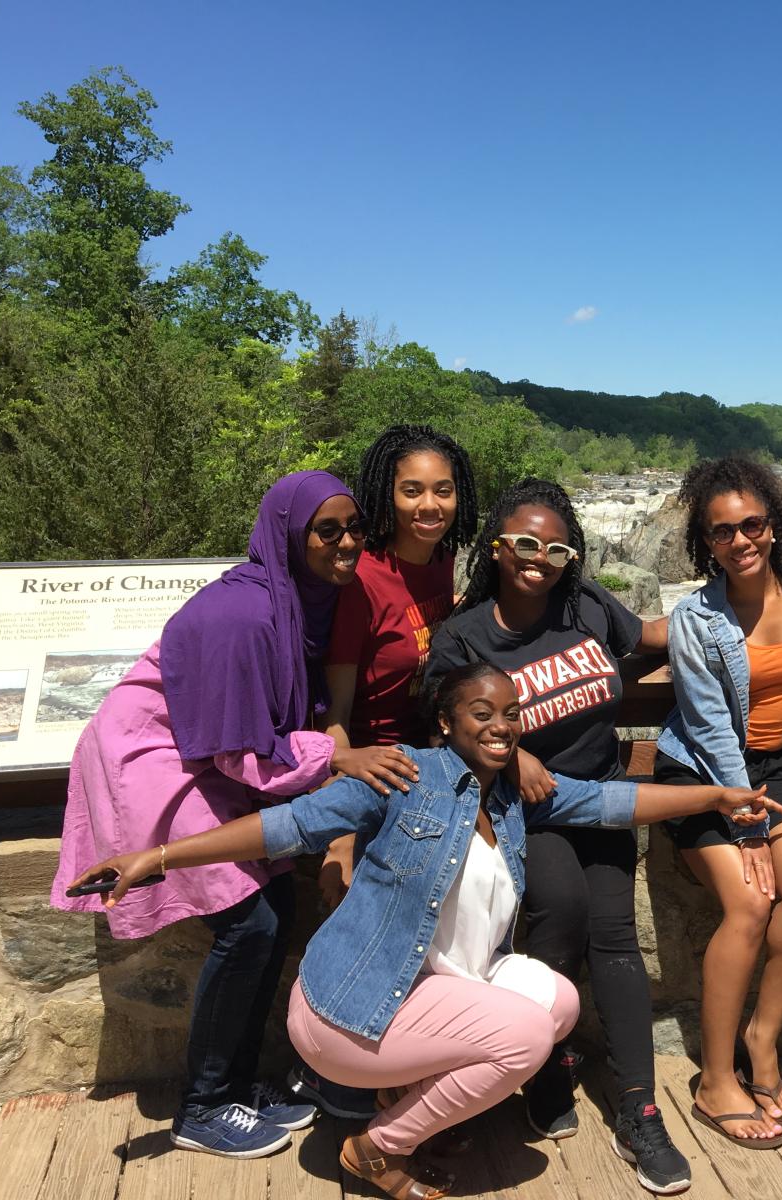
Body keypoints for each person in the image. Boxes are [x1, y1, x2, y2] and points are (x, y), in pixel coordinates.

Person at [67, 663, 782, 1200]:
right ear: (445, 721)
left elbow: (609, 800)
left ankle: (401, 1098)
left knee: (557, 1001)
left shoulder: (508, 795)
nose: (502, 725)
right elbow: (287, 825)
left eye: (511, 713)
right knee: (528, 1038)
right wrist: (157, 856)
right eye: (482, 713)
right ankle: (380, 1147)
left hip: (430, 993)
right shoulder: (405, 777)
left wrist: (719, 795)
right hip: (350, 1007)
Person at [49, 471, 419, 1159]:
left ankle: (240, 1084)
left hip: (206, 752)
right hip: (154, 756)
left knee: (272, 903)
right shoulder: (243, 616)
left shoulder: (295, 601)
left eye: (354, 529)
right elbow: (243, 756)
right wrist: (340, 758)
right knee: (250, 921)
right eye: (326, 530)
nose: (345, 544)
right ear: (288, 533)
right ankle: (204, 1106)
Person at [423, 478, 688, 1193]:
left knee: (614, 933)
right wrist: (513, 750)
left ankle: (639, 1106)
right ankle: (545, 1070)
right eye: (525, 544)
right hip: (518, 808)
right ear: (498, 547)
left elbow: (650, 636)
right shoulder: (466, 634)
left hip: (598, 797)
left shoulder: (590, 607)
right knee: (560, 911)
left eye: (557, 548)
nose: (539, 558)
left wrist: (739, 615)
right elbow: (443, 724)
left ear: (572, 555)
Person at [289, 426, 479, 1120]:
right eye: (412, 490)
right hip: (374, 760)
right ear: (386, 497)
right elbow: (335, 713)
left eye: (442, 489)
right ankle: (336, 1070)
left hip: (431, 760)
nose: (429, 504)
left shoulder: (446, 563)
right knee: (353, 899)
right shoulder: (364, 578)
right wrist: (346, 786)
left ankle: (413, 1064)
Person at [654, 456, 782, 1147]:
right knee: (750, 901)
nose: (740, 541)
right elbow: (705, 725)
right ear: (705, 541)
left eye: (752, 524)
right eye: (722, 531)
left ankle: (762, 1038)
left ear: (774, 525)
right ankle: (714, 1080)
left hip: (775, 767)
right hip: (700, 774)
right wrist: (748, 824)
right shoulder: (694, 618)